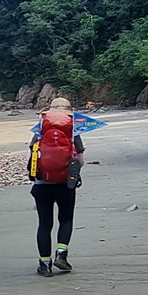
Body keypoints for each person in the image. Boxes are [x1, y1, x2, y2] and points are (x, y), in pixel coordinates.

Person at [28, 97, 85, 277]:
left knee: (45, 224)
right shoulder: (73, 131)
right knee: (66, 220)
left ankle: (45, 264)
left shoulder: (39, 130)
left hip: (42, 185)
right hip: (65, 184)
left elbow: (31, 158)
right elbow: (80, 161)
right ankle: (61, 254)